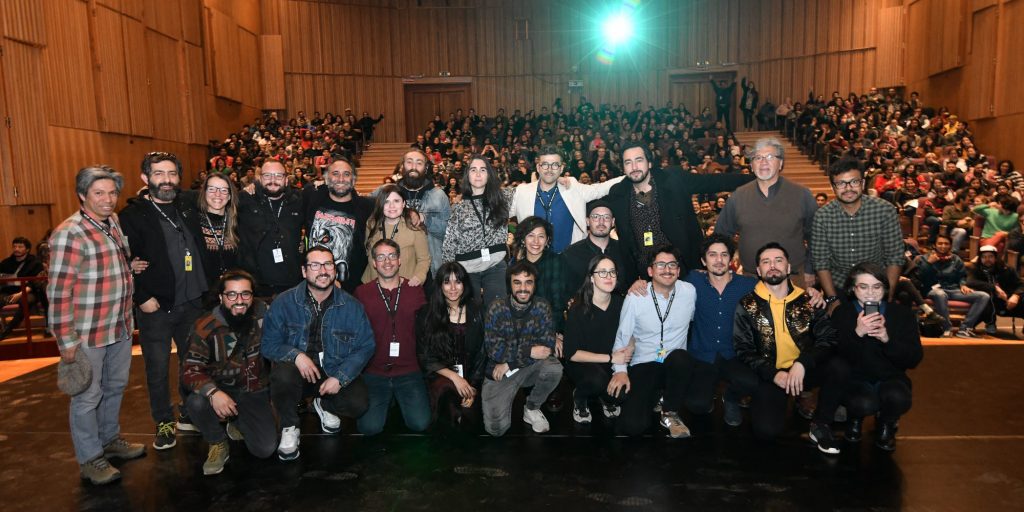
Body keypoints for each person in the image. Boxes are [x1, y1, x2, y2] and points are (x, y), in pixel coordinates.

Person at [49, 166, 144, 485]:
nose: (108, 199)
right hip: (87, 332)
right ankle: (90, 458)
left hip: (118, 326)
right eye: (99, 193)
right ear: (82, 196)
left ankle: (109, 440)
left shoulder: (113, 223)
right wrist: (66, 341)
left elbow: (110, 266)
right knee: (87, 396)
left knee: (115, 387)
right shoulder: (69, 233)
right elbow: (58, 291)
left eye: (112, 193)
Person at [120, 151, 208, 449]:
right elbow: (125, 260)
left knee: (192, 364)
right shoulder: (131, 216)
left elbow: (220, 194)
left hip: (192, 303)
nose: (166, 180)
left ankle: (189, 412)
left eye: (171, 174)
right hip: (155, 306)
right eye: (158, 174)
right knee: (157, 370)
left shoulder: (188, 205)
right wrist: (142, 296)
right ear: (145, 178)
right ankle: (164, 422)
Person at [733, 242, 849, 454]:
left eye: (779, 260)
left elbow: (829, 338)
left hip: (803, 370)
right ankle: (777, 399)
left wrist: (803, 363)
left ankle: (821, 424)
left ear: (788, 268)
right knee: (766, 431)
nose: (773, 266)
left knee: (839, 366)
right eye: (766, 262)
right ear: (758, 271)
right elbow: (743, 349)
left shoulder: (808, 300)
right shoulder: (747, 304)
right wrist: (773, 373)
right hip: (772, 374)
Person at [261, 246, 374, 461]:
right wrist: (296, 355)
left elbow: (366, 345)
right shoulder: (283, 302)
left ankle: (322, 404)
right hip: (296, 373)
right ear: (304, 271)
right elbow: (268, 344)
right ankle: (289, 427)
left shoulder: (352, 306)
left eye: (328, 264)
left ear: (335, 269)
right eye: (315, 265)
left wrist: (340, 378)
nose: (322, 270)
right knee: (282, 376)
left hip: (333, 370)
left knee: (358, 404)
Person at [603, 143, 753, 285]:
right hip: (646, 276)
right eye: (628, 162)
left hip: (684, 269)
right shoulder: (618, 193)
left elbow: (712, 181)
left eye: (639, 160)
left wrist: (755, 179)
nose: (634, 167)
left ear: (649, 163)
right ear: (623, 167)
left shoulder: (673, 180)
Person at [181, 270, 276, 475]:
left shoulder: (264, 314)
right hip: (220, 389)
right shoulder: (204, 327)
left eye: (245, 294)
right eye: (232, 294)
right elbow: (189, 370)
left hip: (253, 390)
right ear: (221, 297)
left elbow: (288, 301)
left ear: (252, 296)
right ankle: (217, 441)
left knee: (265, 449)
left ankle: (236, 421)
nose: (239, 300)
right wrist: (213, 393)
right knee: (196, 402)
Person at [608, 246, 698, 438]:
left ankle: (670, 412)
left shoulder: (689, 292)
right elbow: (623, 336)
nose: (667, 269)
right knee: (633, 427)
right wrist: (621, 372)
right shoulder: (636, 297)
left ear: (679, 270)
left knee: (682, 358)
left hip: (675, 364)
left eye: (672, 264)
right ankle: (656, 396)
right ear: (650, 271)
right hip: (645, 363)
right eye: (661, 265)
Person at [833, 262, 922, 451]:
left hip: (890, 377)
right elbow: (835, 358)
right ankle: (854, 418)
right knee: (863, 402)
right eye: (863, 287)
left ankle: (886, 423)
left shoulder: (902, 315)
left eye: (876, 286)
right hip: (855, 378)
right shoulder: (843, 313)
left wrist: (887, 340)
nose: (870, 293)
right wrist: (857, 333)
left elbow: (914, 358)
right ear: (852, 288)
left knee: (897, 397)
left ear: (885, 288)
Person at [715, 137, 818, 287]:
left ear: (780, 163)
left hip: (794, 278)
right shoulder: (738, 196)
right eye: (758, 158)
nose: (763, 162)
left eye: (770, 157)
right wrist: (723, 269)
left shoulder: (802, 194)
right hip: (751, 280)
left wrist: (810, 269)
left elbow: (816, 237)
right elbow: (721, 236)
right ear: (751, 165)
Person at [352, 239, 430, 435]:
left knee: (420, 424)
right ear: (373, 263)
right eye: (381, 257)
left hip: (409, 371)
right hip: (374, 372)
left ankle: (398, 398)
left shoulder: (415, 291)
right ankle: (389, 399)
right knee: (369, 428)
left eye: (392, 256)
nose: (387, 261)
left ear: (399, 260)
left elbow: (427, 332)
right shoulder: (362, 293)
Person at [683, 234, 760, 426]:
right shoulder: (693, 280)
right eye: (712, 255)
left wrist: (812, 291)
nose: (719, 260)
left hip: (733, 354)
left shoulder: (748, 285)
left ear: (731, 259)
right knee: (697, 405)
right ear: (703, 260)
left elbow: (779, 289)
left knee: (752, 382)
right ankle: (706, 395)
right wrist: (639, 283)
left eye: (724, 255)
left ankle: (731, 397)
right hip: (702, 354)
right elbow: (664, 284)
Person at [481, 261, 563, 436]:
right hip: (500, 372)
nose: (523, 288)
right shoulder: (496, 308)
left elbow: (546, 348)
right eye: (517, 282)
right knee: (496, 429)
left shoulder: (542, 307)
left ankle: (532, 407)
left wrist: (509, 363)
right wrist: (528, 351)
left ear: (534, 284)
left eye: (528, 282)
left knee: (553, 368)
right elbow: (494, 351)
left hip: (521, 367)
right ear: (509, 284)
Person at [811, 157, 905, 307]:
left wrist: (888, 295)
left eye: (854, 182)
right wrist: (833, 300)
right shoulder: (822, 216)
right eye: (841, 183)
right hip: (839, 286)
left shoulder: (884, 210)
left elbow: (895, 256)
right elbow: (821, 263)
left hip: (876, 287)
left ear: (862, 183)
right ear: (833, 187)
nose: (848, 188)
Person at [509, 145, 623, 253]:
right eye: (545, 164)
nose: (549, 169)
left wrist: (629, 175)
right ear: (538, 167)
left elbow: (600, 189)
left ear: (561, 168)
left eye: (555, 165)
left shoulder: (573, 188)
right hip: (533, 261)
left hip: (567, 259)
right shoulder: (522, 192)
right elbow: (498, 213)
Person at [416, 262, 486, 427]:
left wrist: (473, 386)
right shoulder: (427, 313)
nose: (453, 287)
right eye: (447, 282)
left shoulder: (477, 311)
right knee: (448, 401)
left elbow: (483, 353)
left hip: (472, 376)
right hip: (442, 375)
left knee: (472, 418)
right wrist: (455, 378)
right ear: (440, 285)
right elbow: (425, 357)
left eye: (458, 281)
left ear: (465, 284)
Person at [563, 256, 631, 424]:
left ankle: (605, 397)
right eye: (602, 272)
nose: (608, 277)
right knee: (596, 380)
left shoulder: (622, 303)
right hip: (583, 364)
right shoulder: (578, 308)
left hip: (612, 363)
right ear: (592, 278)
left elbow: (632, 334)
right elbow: (571, 353)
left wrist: (628, 350)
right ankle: (580, 396)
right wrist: (610, 358)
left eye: (612, 272)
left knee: (622, 394)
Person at [441, 155, 513, 307]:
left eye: (483, 170)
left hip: (495, 264)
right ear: (467, 175)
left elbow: (532, 190)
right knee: (470, 316)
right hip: (467, 268)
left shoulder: (504, 198)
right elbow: (449, 242)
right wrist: (449, 273)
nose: (478, 174)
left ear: (489, 174)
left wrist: (560, 180)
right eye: (473, 170)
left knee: (497, 313)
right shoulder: (459, 208)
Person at [371, 149, 450, 275]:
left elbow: (449, 233)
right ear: (402, 166)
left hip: (430, 268)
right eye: (409, 162)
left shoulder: (439, 196)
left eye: (419, 163)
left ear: (426, 167)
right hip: (392, 268)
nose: (414, 167)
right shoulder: (384, 192)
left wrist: (425, 219)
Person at [304, 157, 374, 292]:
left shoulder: (367, 207)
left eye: (346, 174)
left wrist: (412, 213)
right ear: (326, 177)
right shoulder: (312, 199)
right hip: (311, 286)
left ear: (353, 179)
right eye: (335, 173)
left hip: (351, 290)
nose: (341, 179)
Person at [237, 159, 305, 298]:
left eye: (278, 176)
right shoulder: (244, 199)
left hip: (291, 282)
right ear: (260, 178)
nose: (272, 180)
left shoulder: (298, 200)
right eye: (267, 175)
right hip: (256, 285)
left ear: (286, 180)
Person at [914, 233, 990, 337]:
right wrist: (929, 264)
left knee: (983, 296)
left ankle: (964, 329)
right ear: (934, 245)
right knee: (940, 294)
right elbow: (920, 277)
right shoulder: (925, 258)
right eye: (940, 243)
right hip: (932, 290)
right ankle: (947, 328)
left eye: (946, 243)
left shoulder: (956, 259)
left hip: (953, 290)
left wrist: (963, 284)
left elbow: (962, 276)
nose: (943, 246)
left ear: (950, 245)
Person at [181, 173, 240, 300]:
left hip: (233, 295)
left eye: (224, 190)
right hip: (202, 297)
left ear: (230, 196)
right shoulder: (191, 221)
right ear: (204, 192)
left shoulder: (237, 222)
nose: (217, 195)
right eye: (212, 189)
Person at [361, 184, 430, 285]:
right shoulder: (371, 224)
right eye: (386, 202)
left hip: (405, 286)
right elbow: (368, 252)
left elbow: (424, 259)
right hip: (373, 284)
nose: (391, 206)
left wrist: (418, 277)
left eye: (396, 201)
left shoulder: (414, 227)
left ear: (403, 204)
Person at [562, 200, 633, 295]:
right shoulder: (571, 254)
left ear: (613, 222)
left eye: (606, 217)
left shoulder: (624, 250)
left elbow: (632, 283)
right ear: (587, 221)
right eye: (596, 217)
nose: (601, 222)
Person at [967, 245, 1024, 332]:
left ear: (996, 257)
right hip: (990, 303)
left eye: (990, 256)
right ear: (980, 258)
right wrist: (994, 287)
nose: (987, 259)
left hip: (1009, 301)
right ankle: (990, 323)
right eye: (984, 257)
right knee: (984, 296)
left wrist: (1016, 296)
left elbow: (1021, 284)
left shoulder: (1007, 269)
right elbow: (971, 281)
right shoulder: (976, 268)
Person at [0, 236, 46, 339]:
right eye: (15, 246)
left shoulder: (35, 263)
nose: (16, 249)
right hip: (8, 291)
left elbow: (34, 283)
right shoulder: (6, 262)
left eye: (20, 247)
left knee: (25, 301)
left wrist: (20, 294)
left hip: (28, 292)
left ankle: (7, 330)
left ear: (27, 249)